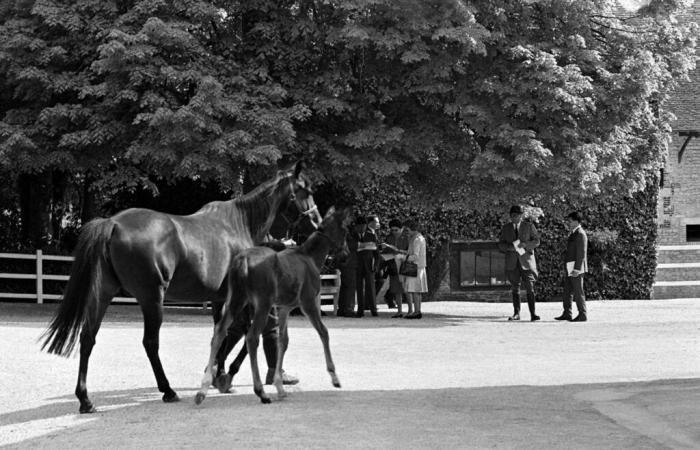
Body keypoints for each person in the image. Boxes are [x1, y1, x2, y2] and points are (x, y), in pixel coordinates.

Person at [497, 205, 541, 321]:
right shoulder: (506, 228)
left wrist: (526, 245)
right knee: (515, 288)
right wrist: (510, 247)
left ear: (521, 216)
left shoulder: (529, 226)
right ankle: (516, 313)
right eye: (511, 216)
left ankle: (533, 314)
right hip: (512, 262)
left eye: (515, 215)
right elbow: (501, 244)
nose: (513, 218)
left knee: (530, 288)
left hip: (526, 262)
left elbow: (537, 241)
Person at [555, 211, 589, 322]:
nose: (568, 223)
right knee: (567, 291)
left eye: (570, 221)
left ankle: (582, 314)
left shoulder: (580, 234)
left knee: (578, 292)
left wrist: (577, 269)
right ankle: (567, 313)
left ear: (576, 221)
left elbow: (581, 253)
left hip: (576, 267)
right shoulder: (574, 233)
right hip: (571, 266)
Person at [380, 219, 409, 317]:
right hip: (393, 265)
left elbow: (410, 252)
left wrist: (398, 251)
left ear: (402, 229)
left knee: (407, 288)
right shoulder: (389, 238)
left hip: (405, 264)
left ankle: (410, 310)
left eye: (396, 230)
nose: (394, 232)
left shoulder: (407, 238)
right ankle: (399, 311)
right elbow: (386, 252)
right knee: (396, 289)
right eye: (392, 230)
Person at [337, 216, 364, 317]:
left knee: (345, 286)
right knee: (350, 286)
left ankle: (342, 309)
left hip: (345, 262)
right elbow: (350, 245)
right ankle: (348, 309)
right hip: (349, 262)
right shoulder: (347, 233)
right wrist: (362, 245)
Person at [401, 219, 428, 319]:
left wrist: (404, 257)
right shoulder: (417, 238)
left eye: (407, 230)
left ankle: (417, 312)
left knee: (415, 290)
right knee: (416, 291)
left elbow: (415, 256)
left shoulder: (417, 240)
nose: (406, 232)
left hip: (415, 267)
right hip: (418, 267)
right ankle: (417, 311)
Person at [356, 214, 380, 317]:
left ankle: (373, 309)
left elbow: (376, 252)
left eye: (364, 225)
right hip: (357, 264)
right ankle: (360, 310)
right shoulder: (353, 235)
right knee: (359, 287)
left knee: (371, 287)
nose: (362, 228)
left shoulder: (371, 235)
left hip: (369, 264)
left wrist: (377, 265)